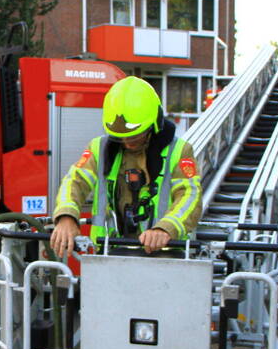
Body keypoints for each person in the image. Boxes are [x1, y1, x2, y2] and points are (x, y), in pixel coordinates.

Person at [49, 76, 203, 257]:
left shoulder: (179, 151)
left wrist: (165, 229)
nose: (128, 143)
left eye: (135, 136)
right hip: (109, 250)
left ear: (155, 123)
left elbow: (190, 195)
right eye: (121, 137)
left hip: (165, 254)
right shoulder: (99, 148)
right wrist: (67, 216)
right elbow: (75, 181)